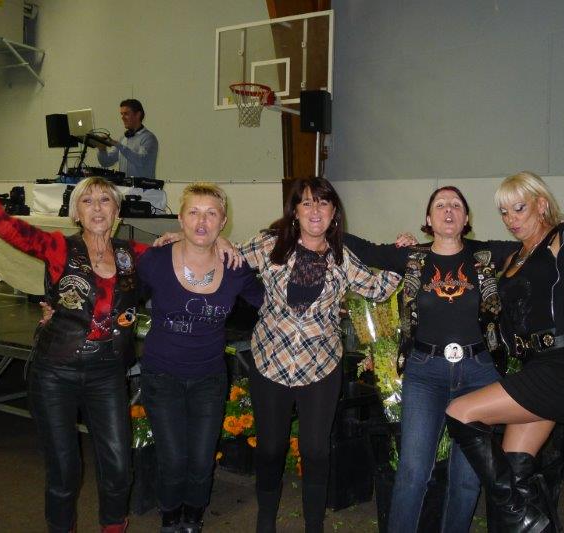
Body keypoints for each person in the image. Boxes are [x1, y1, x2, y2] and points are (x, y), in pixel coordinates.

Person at [444, 123, 564, 532]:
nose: (511, 219)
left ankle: (526, 518)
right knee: (516, 469)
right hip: (537, 368)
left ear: (539, 204)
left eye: (518, 208)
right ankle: (533, 520)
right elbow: (459, 254)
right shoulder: (514, 257)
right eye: (504, 212)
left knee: (460, 414)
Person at [0, 172, 146, 533]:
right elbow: (7, 228)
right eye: (87, 201)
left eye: (105, 200)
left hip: (107, 372)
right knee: (64, 470)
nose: (97, 208)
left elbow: (184, 257)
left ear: (117, 211)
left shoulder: (134, 254)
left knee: (119, 467)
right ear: (75, 214)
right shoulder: (58, 247)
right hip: (56, 371)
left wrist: (202, 240)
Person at [342, 188, 515, 533]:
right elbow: (363, 248)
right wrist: (319, 222)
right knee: (412, 473)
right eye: (440, 205)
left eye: (456, 205)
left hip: (479, 374)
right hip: (425, 373)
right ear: (427, 219)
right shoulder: (412, 258)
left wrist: (563, 229)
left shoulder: (487, 254)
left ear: (466, 218)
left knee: (467, 479)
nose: (448, 210)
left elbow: (536, 243)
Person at [236, 177, 401, 533]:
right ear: (294, 211)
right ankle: (265, 520)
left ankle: (315, 524)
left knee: (316, 450)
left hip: (320, 366)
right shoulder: (270, 244)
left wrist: (403, 256)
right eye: (307, 202)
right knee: (270, 448)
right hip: (270, 362)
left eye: (323, 203)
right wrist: (184, 242)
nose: (315, 210)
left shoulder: (342, 257)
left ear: (334, 212)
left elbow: (377, 289)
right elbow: (227, 258)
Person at [139, 183, 263, 533]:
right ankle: (169, 518)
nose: (201, 221)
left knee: (201, 459)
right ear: (180, 219)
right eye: (193, 212)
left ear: (223, 222)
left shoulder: (235, 267)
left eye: (211, 214)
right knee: (173, 458)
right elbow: (122, 295)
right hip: (161, 375)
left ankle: (193, 518)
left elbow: (268, 303)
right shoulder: (155, 260)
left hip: (209, 378)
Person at [97, 98, 159, 178]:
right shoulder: (123, 139)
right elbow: (106, 162)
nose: (122, 117)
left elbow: (141, 161)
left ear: (138, 115)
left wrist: (119, 145)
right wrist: (102, 150)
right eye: (121, 114)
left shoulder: (148, 138)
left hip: (143, 186)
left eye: (126, 114)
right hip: (125, 185)